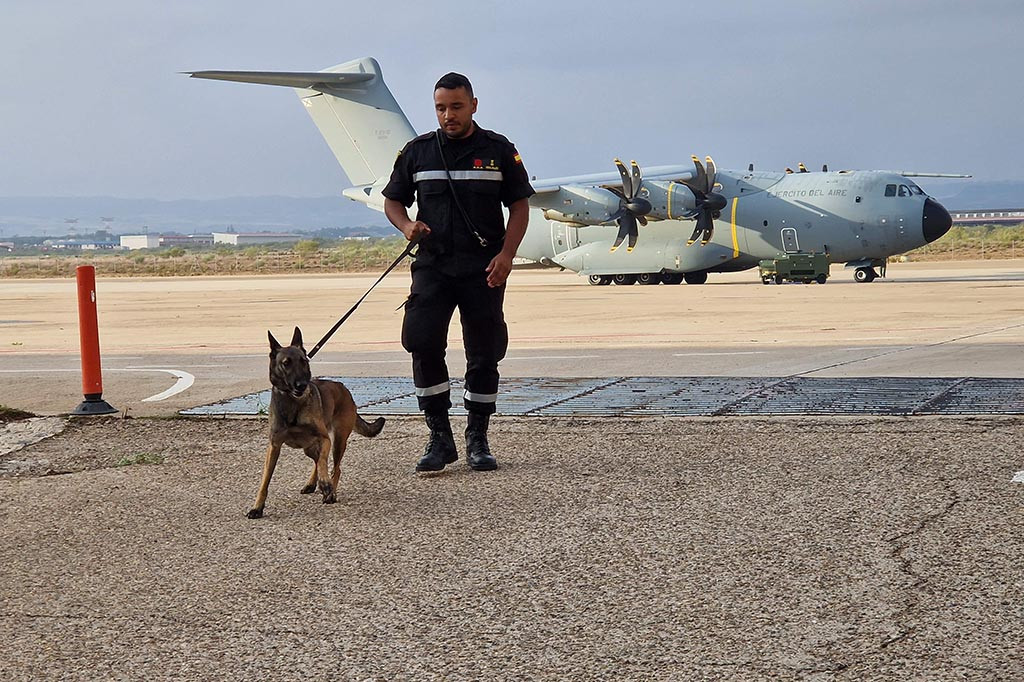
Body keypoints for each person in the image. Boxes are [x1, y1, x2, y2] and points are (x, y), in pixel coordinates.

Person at [382, 72, 534, 472]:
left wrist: (507, 255)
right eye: (440, 107)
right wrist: (405, 226)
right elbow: (393, 201)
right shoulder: (418, 152)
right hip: (433, 266)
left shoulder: (499, 151)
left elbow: (520, 207)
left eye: (456, 106)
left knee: (484, 353)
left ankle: (477, 439)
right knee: (422, 344)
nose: (448, 115)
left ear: (473, 105)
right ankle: (440, 438)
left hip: (483, 268)